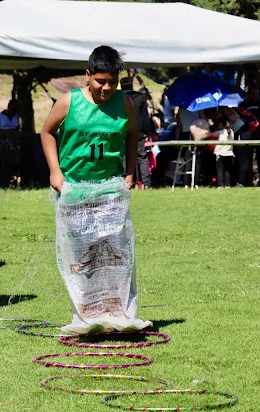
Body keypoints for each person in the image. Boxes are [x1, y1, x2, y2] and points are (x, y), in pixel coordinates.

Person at [40, 45, 150, 333]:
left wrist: (129, 174)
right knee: (82, 255)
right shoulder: (69, 102)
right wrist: (55, 171)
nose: (107, 87)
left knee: (115, 252)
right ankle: (87, 316)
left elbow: (132, 135)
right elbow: (46, 132)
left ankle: (121, 314)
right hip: (74, 189)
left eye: (112, 82)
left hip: (109, 191)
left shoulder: (124, 102)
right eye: (101, 81)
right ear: (88, 75)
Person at [120, 77, 155, 188]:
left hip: (122, 132)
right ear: (131, 85)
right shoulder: (140, 98)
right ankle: (146, 183)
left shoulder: (117, 98)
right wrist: (149, 133)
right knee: (142, 157)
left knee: (124, 157)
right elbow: (145, 118)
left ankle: (125, 182)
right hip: (138, 132)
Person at [213, 116, 234, 188]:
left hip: (221, 154)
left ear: (221, 124)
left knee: (220, 171)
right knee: (227, 171)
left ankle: (220, 185)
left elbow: (209, 134)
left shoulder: (220, 132)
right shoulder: (232, 132)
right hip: (229, 153)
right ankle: (228, 185)